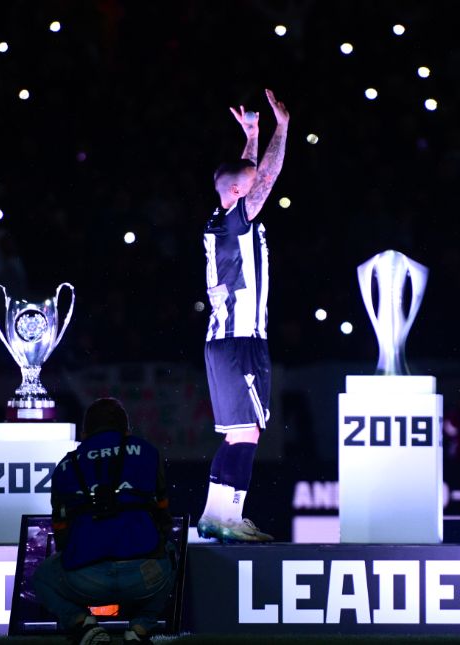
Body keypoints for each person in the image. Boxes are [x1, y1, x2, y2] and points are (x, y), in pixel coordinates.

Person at [197, 88, 289, 542]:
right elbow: (266, 174)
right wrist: (281, 128)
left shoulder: (224, 216)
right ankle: (230, 518)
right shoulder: (236, 220)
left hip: (224, 342)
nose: (261, 190)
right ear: (239, 192)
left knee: (237, 434)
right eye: (251, 187)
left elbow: (247, 173)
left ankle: (214, 516)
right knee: (247, 436)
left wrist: (252, 134)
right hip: (239, 341)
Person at [31, 398, 175, 645]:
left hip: (86, 580)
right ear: (126, 429)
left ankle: (83, 625)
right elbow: (163, 514)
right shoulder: (147, 452)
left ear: (84, 433)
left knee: (41, 577)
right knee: (172, 552)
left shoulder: (66, 465)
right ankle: (140, 629)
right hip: (143, 577)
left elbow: (61, 530)